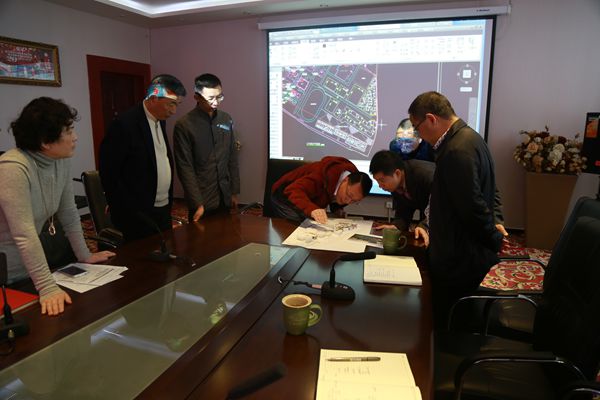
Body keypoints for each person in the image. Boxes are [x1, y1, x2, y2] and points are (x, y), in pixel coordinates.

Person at [0, 97, 115, 316]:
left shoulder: (59, 160)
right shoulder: (13, 168)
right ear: (46, 141)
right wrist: (47, 287)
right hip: (6, 273)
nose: (75, 137)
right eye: (69, 131)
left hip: (30, 269)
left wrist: (84, 255)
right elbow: (24, 234)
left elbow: (69, 213)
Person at [407, 91, 506, 326]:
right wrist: (496, 221)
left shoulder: (456, 150)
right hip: (464, 252)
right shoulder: (469, 138)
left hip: (459, 257)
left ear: (431, 119)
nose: (418, 135)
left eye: (417, 128)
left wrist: (493, 239)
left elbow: (472, 207)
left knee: (450, 320)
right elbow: (489, 189)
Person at [99, 74, 186, 242]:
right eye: (171, 104)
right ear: (153, 98)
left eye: (177, 104)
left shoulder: (160, 120)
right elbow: (109, 172)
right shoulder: (124, 124)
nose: (174, 111)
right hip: (137, 213)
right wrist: (122, 206)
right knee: (142, 255)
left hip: (163, 206)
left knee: (166, 248)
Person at [173, 73, 240, 222]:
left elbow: (232, 156)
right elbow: (185, 167)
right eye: (210, 98)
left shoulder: (226, 119)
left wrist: (234, 192)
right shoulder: (184, 125)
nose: (216, 103)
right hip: (202, 198)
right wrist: (197, 203)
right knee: (202, 236)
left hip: (224, 194)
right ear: (196, 97)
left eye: (219, 97)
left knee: (228, 233)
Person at [270, 156, 373, 224]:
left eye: (354, 201)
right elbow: (293, 190)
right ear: (345, 180)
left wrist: (337, 208)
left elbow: (331, 193)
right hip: (284, 196)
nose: (348, 201)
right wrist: (312, 209)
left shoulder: (352, 179)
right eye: (349, 195)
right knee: (301, 227)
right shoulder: (321, 175)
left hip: (306, 197)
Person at [369, 150, 435, 233]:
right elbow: (403, 212)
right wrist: (397, 226)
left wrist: (424, 226)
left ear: (397, 173)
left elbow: (441, 206)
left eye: (382, 180)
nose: (380, 186)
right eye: (377, 181)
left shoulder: (426, 175)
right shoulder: (396, 186)